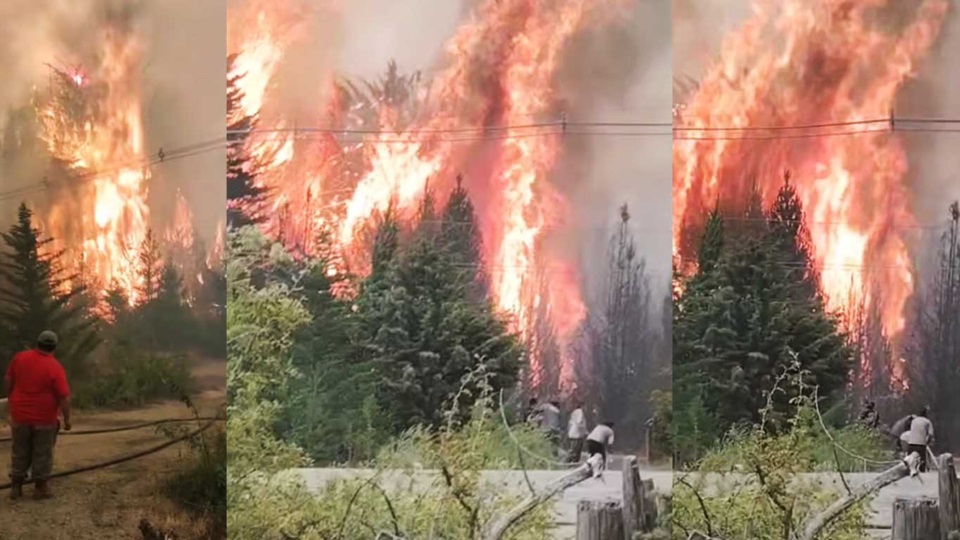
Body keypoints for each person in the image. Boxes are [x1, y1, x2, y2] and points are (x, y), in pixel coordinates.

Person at [5, 331, 72, 499]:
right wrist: (67, 420)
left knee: (20, 451)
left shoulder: (19, 358)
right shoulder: (55, 367)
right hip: (44, 419)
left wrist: (12, 400)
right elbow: (63, 397)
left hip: (20, 416)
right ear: (54, 347)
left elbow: (8, 381)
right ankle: (40, 488)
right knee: (42, 452)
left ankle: (16, 487)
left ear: (37, 343)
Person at [905, 406, 934, 472]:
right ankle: (922, 470)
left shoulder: (914, 421)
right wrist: (927, 441)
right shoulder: (927, 422)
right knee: (922, 461)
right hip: (921, 444)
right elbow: (930, 434)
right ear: (926, 414)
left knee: (910, 461)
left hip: (911, 443)